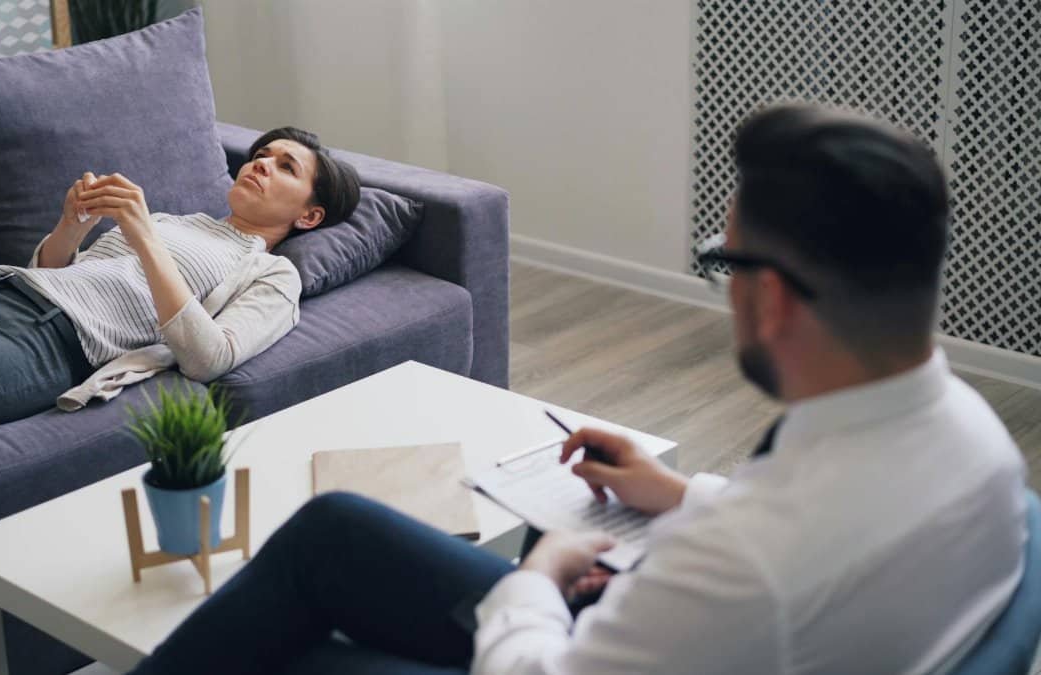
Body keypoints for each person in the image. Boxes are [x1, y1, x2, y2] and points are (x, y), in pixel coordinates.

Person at [128, 103, 1028, 675]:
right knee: (336, 532)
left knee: (300, 629)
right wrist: (680, 494)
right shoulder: (975, 441)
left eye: (724, 262)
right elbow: (813, 535)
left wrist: (542, 575)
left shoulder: (750, 569)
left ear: (776, 295)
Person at [0, 127, 360, 455]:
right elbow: (59, 270)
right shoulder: (172, 220)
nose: (260, 163)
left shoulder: (272, 275)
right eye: (262, 154)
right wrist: (72, 223)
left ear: (309, 215)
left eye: (285, 166)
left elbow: (209, 357)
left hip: (39, 345)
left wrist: (142, 234)